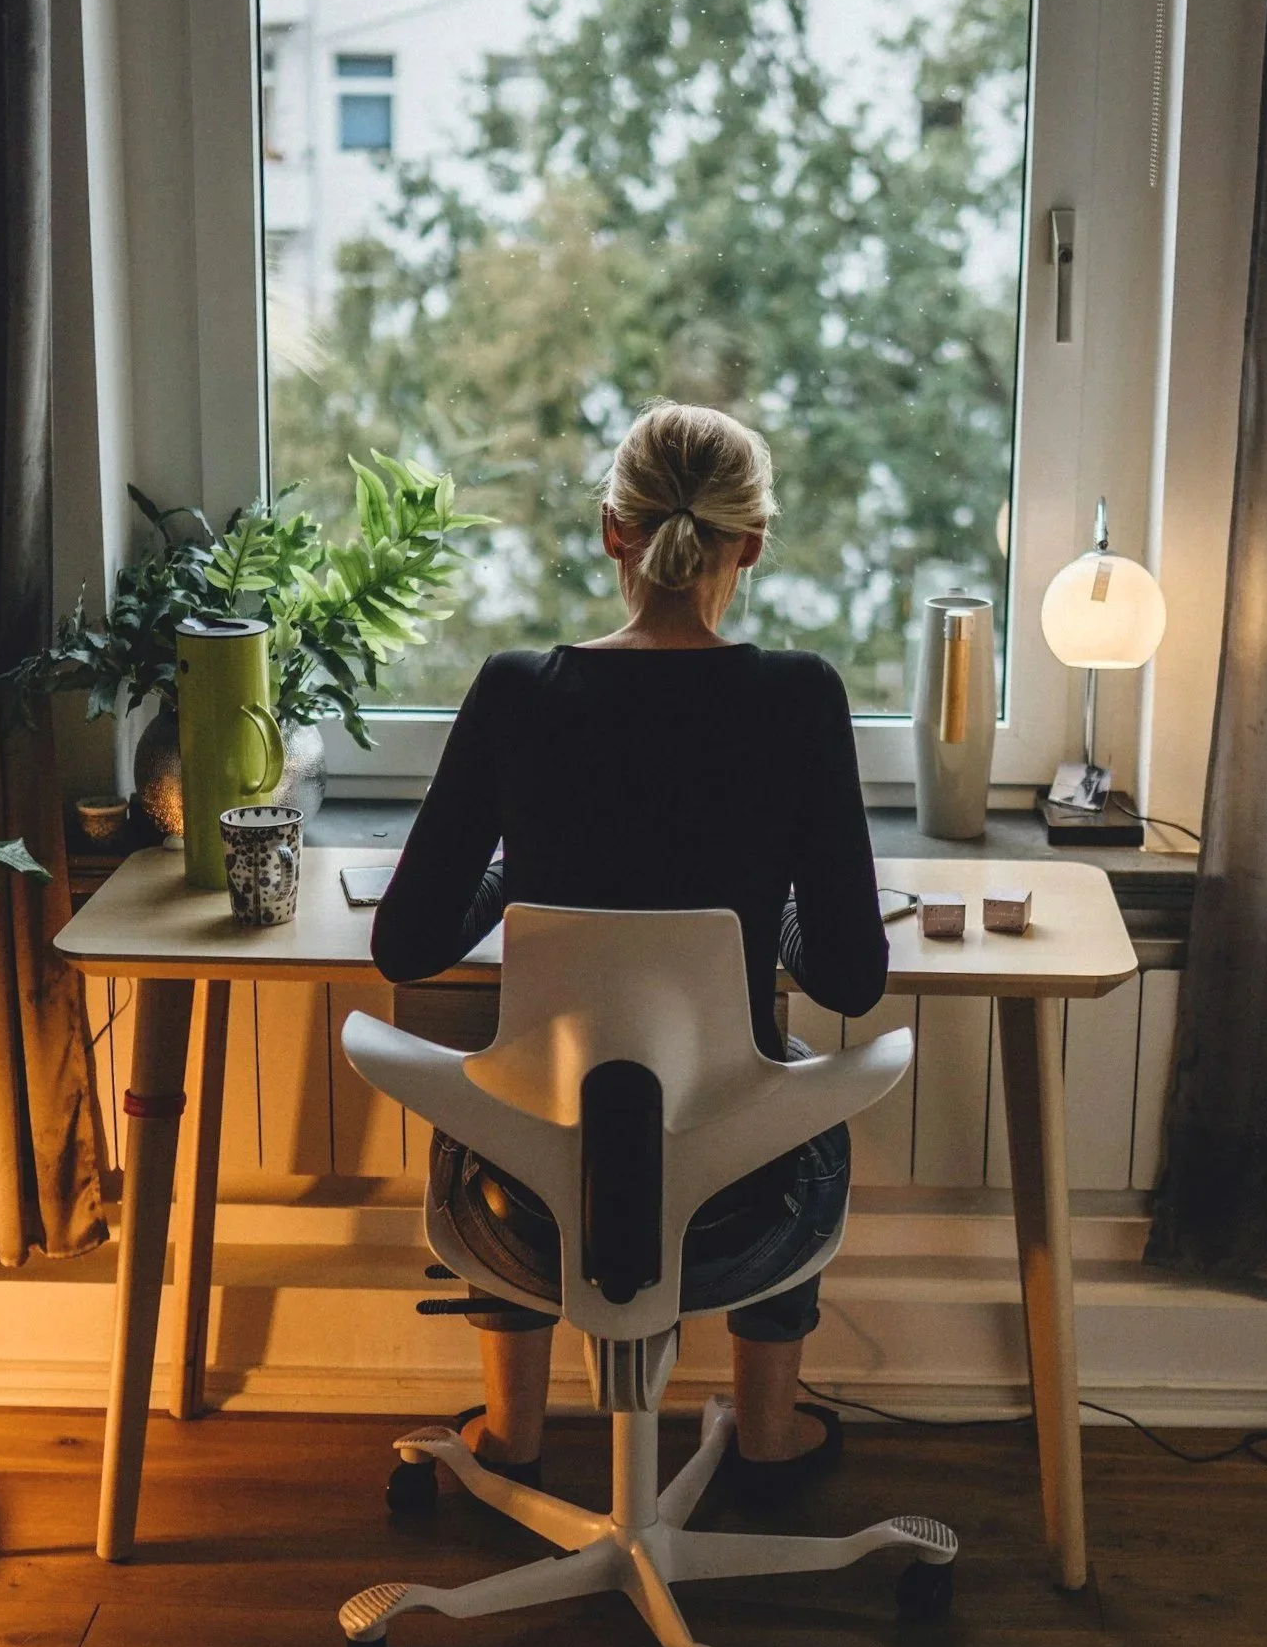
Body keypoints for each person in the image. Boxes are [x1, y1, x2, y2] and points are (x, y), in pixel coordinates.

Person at [372, 400, 889, 1503]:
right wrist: (771, 918)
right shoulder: (800, 698)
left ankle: (510, 1437)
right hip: (738, 1211)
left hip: (530, 1208)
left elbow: (407, 941)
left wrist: (520, 880)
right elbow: (849, 975)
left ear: (613, 529)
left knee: (504, 1079)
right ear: (749, 543)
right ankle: (764, 1432)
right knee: (787, 1078)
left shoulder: (519, 690)